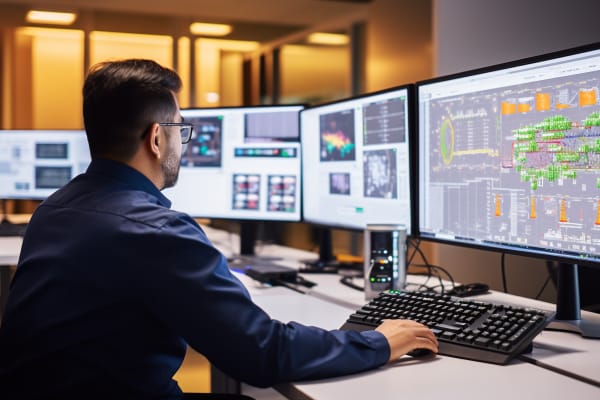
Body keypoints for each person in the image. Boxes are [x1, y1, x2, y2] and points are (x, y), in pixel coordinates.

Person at [0, 59, 438, 399]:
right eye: (181, 130)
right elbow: (261, 354)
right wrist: (379, 342)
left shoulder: (54, 210)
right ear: (156, 138)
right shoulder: (155, 231)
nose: (182, 144)